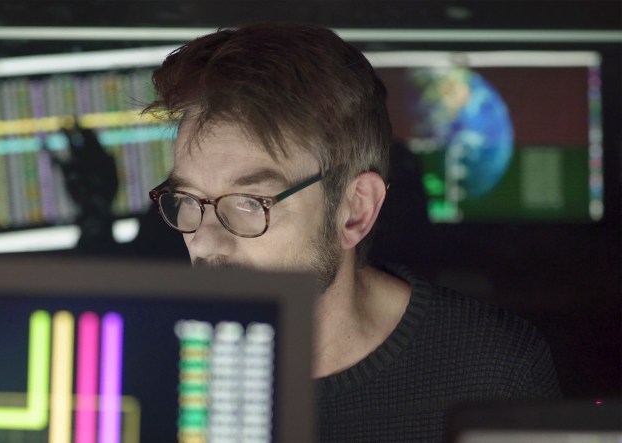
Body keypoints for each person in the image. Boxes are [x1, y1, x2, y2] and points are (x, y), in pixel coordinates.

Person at [144, 23, 561, 442]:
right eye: (189, 198)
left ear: (355, 212)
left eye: (251, 202)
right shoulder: (135, 360)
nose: (205, 242)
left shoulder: (494, 371)